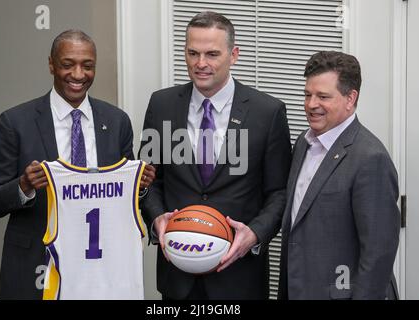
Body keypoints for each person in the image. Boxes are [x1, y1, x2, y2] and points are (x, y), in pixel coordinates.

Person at [0, 29, 155, 299]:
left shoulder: (117, 121)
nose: (78, 75)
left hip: (100, 268)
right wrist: (24, 185)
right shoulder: (15, 122)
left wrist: (140, 187)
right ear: (51, 64)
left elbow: (125, 198)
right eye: (67, 64)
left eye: (87, 66)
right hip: (35, 266)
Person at [139, 11, 292, 299]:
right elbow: (147, 182)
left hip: (240, 278)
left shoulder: (267, 113)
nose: (200, 64)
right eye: (192, 53)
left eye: (212, 54)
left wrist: (255, 234)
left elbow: (280, 192)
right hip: (177, 279)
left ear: (233, 55)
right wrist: (157, 218)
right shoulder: (161, 105)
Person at [278, 51, 400, 300]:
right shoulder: (304, 141)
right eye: (307, 94)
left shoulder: (370, 158)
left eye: (323, 96)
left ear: (350, 98)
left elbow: (378, 255)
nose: (311, 104)